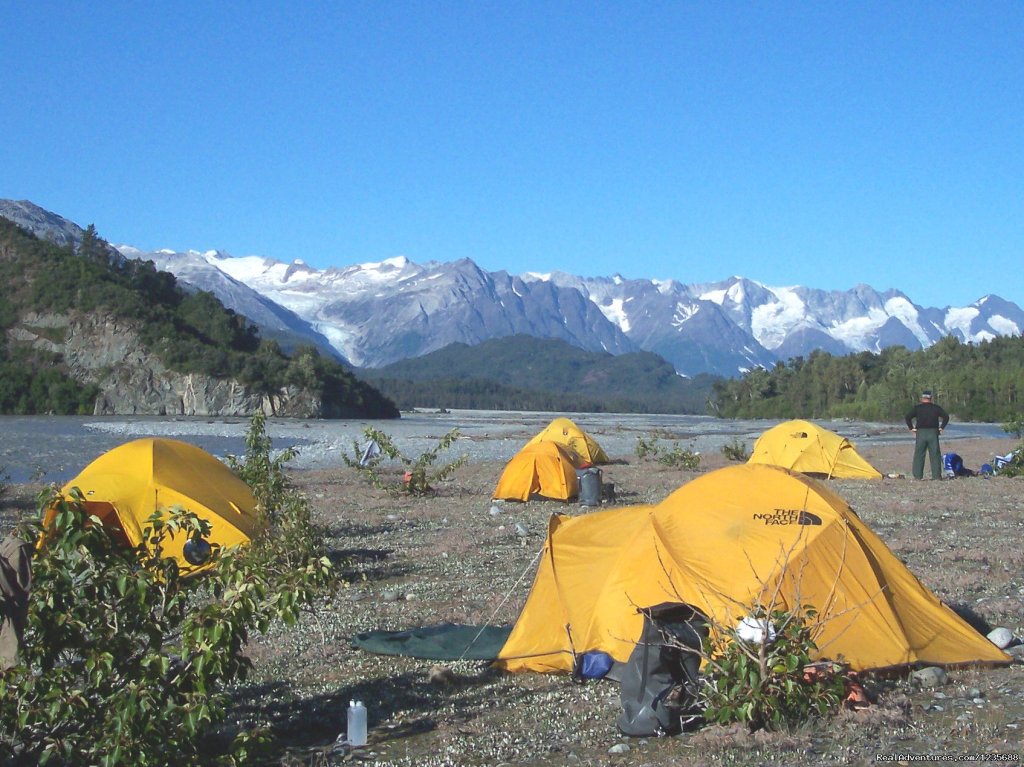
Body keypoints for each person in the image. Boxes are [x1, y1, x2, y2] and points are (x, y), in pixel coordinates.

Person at [904, 390, 950, 480]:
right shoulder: (936, 408)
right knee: (935, 454)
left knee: (919, 454)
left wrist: (911, 428)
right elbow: (946, 417)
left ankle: (917, 476)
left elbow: (907, 417)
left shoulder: (917, 408)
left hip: (921, 433)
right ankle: (936, 476)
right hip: (933, 432)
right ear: (930, 398)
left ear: (922, 398)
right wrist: (942, 427)